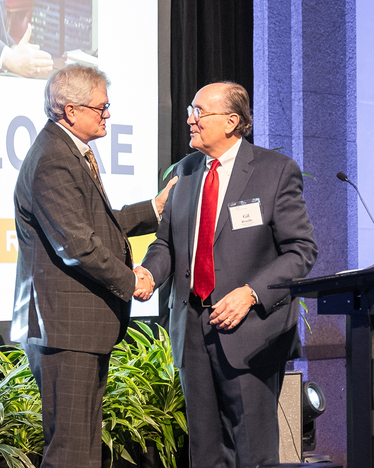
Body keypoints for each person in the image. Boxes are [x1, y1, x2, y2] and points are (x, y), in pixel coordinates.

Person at [135, 82, 318, 468]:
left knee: (252, 451)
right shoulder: (184, 172)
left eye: (199, 111)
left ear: (232, 121)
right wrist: (150, 274)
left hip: (251, 332)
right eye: (191, 109)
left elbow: (301, 251)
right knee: (205, 452)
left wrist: (250, 292)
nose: (190, 119)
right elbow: (166, 244)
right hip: (192, 330)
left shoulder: (274, 171)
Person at [11, 64, 176, 468]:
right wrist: (131, 280)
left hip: (76, 327)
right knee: (70, 452)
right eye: (101, 108)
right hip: (65, 327)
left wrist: (152, 210)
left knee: (82, 450)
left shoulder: (69, 151)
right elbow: (77, 244)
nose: (107, 115)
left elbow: (94, 223)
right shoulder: (53, 158)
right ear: (70, 111)